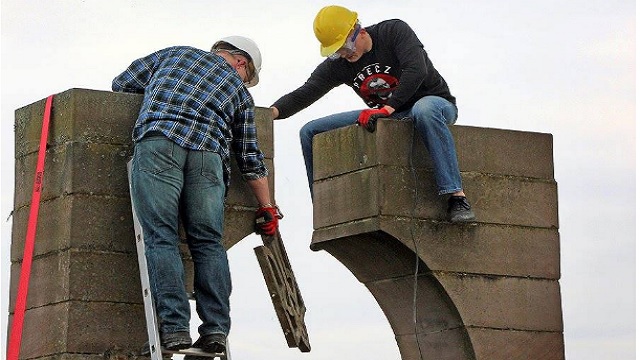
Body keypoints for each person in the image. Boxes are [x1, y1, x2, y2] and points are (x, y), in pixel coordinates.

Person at [112, 36, 282, 355]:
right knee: (208, 243)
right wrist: (267, 207)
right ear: (240, 62)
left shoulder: (175, 54)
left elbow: (122, 83)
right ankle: (215, 330)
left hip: (160, 144)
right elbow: (250, 158)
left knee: (161, 237)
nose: (245, 81)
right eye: (248, 77)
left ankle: (175, 330)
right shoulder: (240, 96)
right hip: (208, 159)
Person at [270, 5, 476, 223]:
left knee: (423, 110)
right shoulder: (340, 64)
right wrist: (271, 113)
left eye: (346, 46)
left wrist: (388, 108)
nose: (345, 54)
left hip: (435, 106)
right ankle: (325, 211)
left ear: (359, 30)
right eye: (337, 50)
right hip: (390, 115)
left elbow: (417, 69)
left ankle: (456, 197)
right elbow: (306, 92)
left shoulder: (393, 32)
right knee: (310, 131)